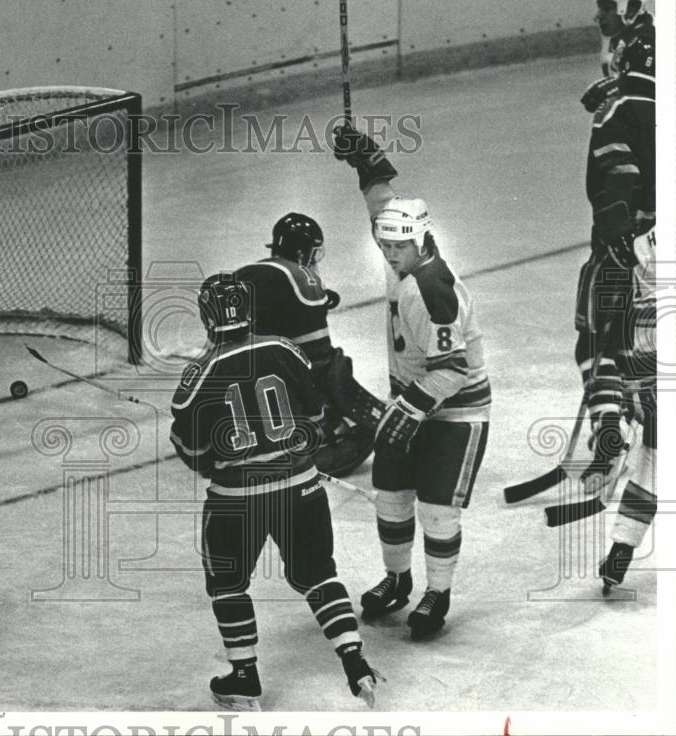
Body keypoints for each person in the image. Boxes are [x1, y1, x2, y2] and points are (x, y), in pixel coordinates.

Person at [170, 273, 379, 710]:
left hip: (235, 502)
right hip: (300, 488)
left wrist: (205, 450)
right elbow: (315, 417)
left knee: (228, 584)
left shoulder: (199, 373)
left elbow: (193, 452)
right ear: (250, 311)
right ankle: (354, 661)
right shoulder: (285, 349)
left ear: (207, 318)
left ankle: (244, 677)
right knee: (318, 574)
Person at [332, 124, 491, 639]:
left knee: (437, 511)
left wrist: (411, 407)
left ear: (420, 241)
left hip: (456, 411)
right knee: (391, 497)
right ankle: (397, 581)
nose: (388, 250)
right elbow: (383, 206)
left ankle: (436, 594)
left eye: (398, 244)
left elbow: (453, 368)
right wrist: (367, 161)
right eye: (384, 243)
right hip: (416, 403)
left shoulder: (431, 289)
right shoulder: (401, 255)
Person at [580, 0, 656, 592]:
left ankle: (608, 423)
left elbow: (619, 178)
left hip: (637, 249)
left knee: (599, 333)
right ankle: (624, 547)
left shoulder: (621, 102)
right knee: (662, 435)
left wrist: (617, 235)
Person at [234, 213, 377, 478]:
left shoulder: (242, 274)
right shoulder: (301, 276)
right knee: (331, 365)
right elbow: (318, 356)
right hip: (280, 396)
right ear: (302, 253)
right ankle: (323, 429)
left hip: (236, 396)